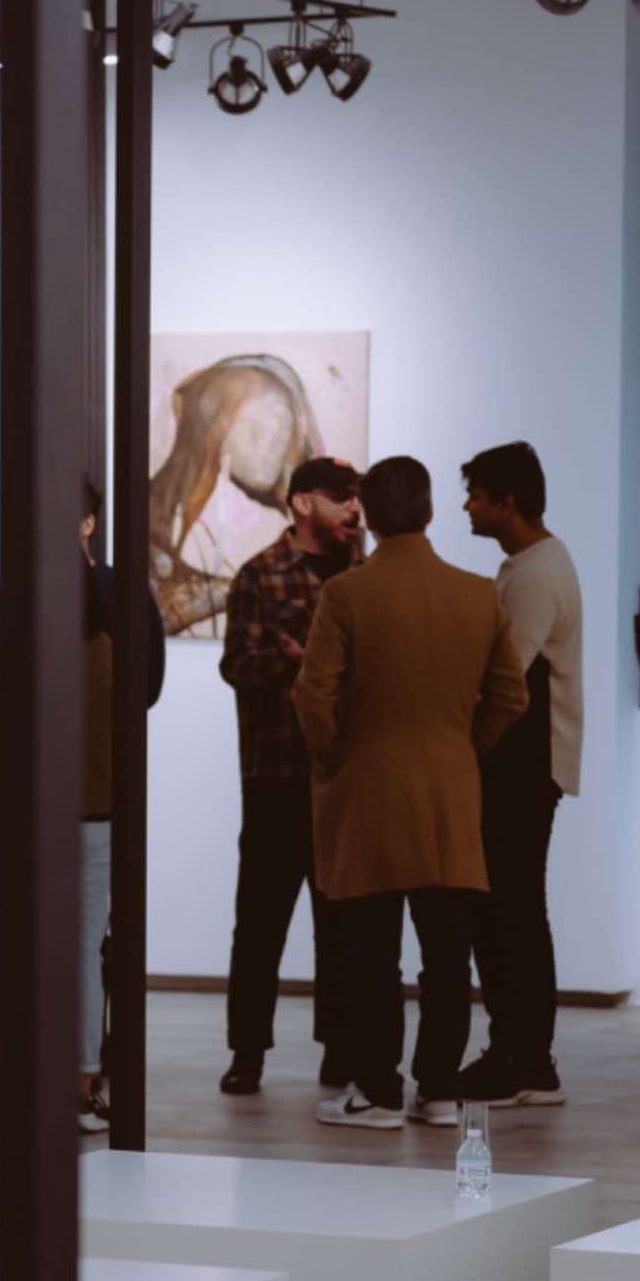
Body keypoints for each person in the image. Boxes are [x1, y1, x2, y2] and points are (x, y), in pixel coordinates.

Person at [299, 456, 526, 1129]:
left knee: (371, 954)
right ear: (428, 510)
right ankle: (440, 1089)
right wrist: (464, 744)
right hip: (450, 793)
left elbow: (313, 694)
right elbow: (511, 695)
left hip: (368, 792)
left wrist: (334, 753)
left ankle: (378, 1090)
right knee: (447, 954)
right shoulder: (477, 593)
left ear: (367, 511)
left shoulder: (347, 594)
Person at [0, 486, 167, 1137]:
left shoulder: (2, 608)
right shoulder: (123, 608)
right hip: (97, 803)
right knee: (82, 950)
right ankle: (79, 1089)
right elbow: (146, 693)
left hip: (18, 805)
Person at [216, 458, 363, 1100]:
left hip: (347, 778)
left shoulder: (365, 574)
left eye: (356, 498)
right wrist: (303, 670)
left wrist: (322, 667)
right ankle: (247, 1054)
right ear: (302, 503)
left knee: (343, 926)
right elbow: (236, 666)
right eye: (340, 498)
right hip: (277, 775)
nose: (354, 510)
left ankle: (340, 1052)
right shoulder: (260, 575)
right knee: (260, 924)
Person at [461, 443, 582, 1111]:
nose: (467, 507)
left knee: (509, 910)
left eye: (476, 494)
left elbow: (507, 676)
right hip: (524, 764)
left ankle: (523, 1056)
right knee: (511, 909)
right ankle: (519, 1052)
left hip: (520, 766)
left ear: (508, 501)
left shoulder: (535, 574)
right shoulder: (531, 563)